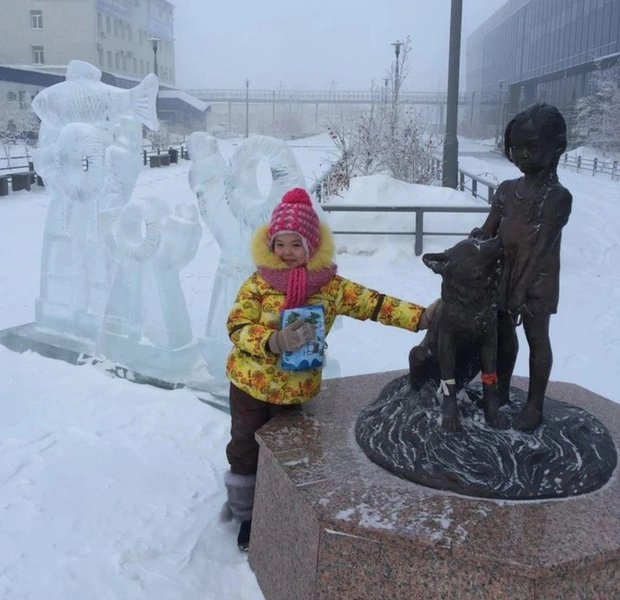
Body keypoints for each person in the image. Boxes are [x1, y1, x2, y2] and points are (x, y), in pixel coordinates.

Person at [220, 187, 438, 550]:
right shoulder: (257, 284)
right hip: (249, 385)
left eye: (296, 244)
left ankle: (277, 505)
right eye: (280, 244)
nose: (287, 253)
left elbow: (375, 304)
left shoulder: (331, 287)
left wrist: (421, 318)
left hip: (292, 391)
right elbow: (236, 326)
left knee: (285, 453)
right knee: (244, 447)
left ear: (312, 246)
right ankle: (246, 514)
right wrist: (272, 341)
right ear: (270, 245)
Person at [471, 103, 572, 432]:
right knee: (502, 335)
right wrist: (473, 245)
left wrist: (518, 293)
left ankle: (534, 404)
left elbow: (541, 249)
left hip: (536, 278)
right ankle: (500, 388)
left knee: (537, 338)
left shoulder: (556, 197)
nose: (522, 155)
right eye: (516, 148)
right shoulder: (506, 191)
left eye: (532, 147)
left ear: (557, 147)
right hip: (503, 272)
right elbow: (488, 229)